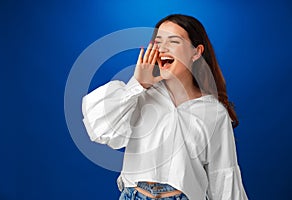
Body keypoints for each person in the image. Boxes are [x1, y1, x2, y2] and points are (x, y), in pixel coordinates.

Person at [82, 14, 248, 200]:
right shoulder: (139, 94)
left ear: (196, 52)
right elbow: (101, 129)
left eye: (174, 41)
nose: (163, 48)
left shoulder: (213, 112)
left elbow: (224, 177)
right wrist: (138, 84)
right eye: (158, 41)